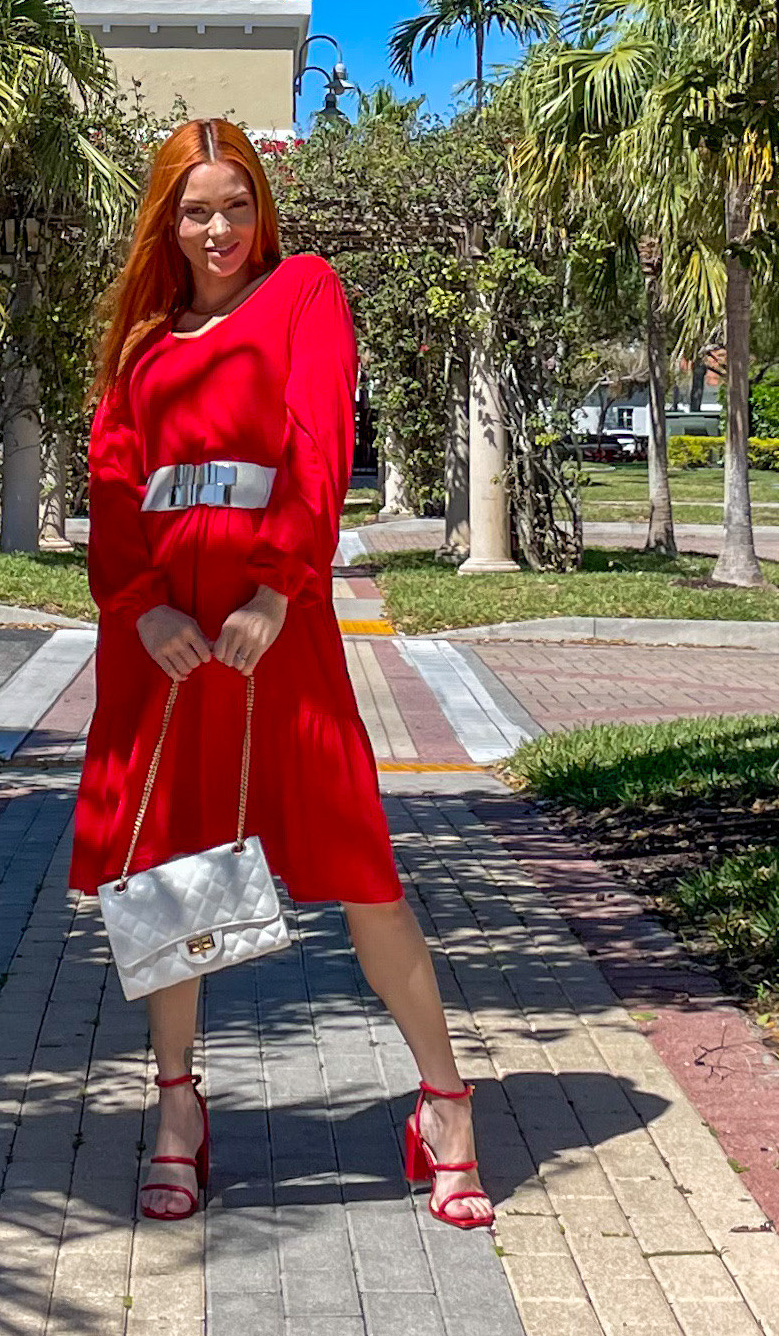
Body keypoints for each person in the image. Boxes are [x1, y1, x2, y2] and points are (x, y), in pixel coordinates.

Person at [72, 117, 491, 1229]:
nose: (218, 227)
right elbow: (114, 481)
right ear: (166, 219)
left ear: (262, 206)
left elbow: (316, 440)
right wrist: (141, 603)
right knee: (170, 870)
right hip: (161, 638)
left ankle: (446, 1104)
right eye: (195, 209)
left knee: (357, 861)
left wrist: (276, 584)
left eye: (235, 203)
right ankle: (175, 1111)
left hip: (272, 624)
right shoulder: (142, 341)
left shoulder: (305, 289)